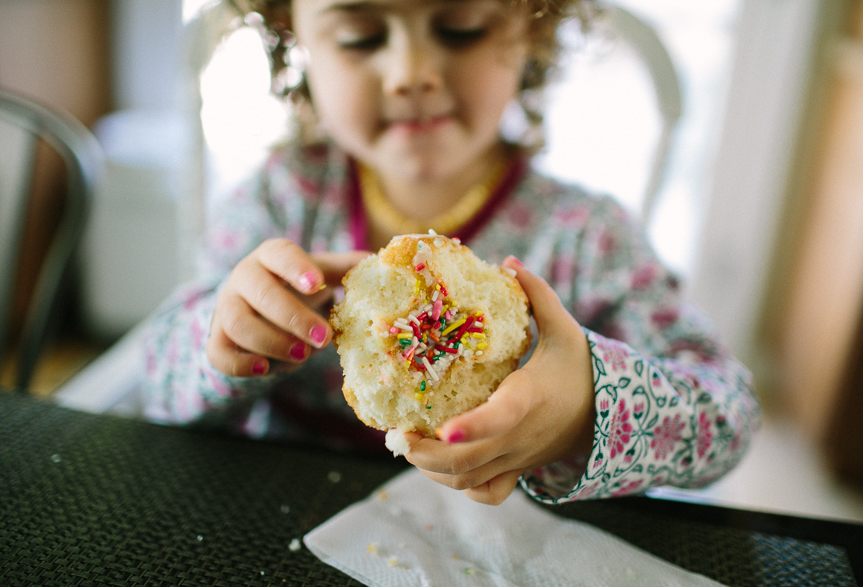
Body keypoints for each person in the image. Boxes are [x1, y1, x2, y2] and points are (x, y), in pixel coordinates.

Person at [143, 0, 761, 506]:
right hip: (281, 507)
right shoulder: (277, 200)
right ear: (292, 31)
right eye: (359, 35)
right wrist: (222, 341)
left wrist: (588, 409)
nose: (411, 71)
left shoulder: (588, 235)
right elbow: (156, 379)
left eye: (461, 27)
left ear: (534, 28)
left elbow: (729, 416)